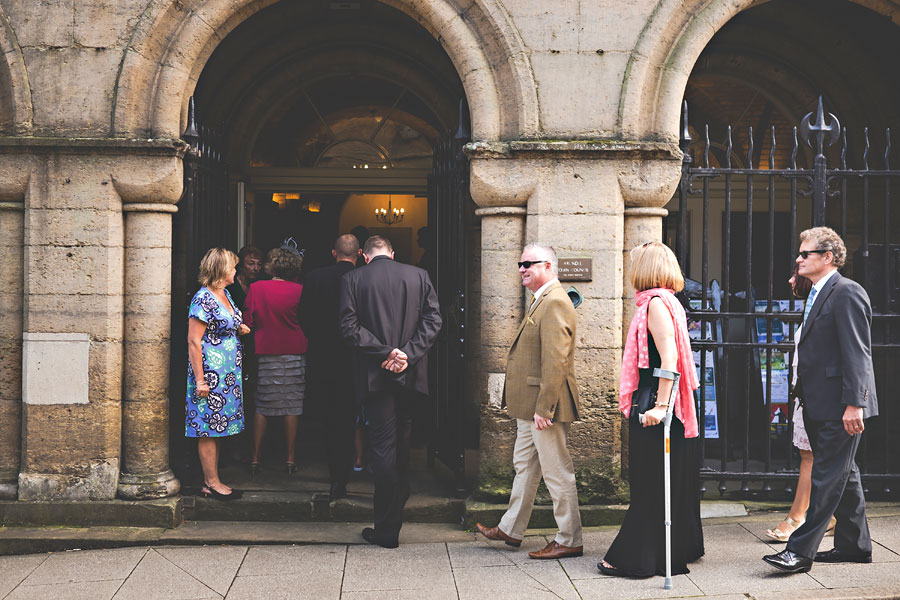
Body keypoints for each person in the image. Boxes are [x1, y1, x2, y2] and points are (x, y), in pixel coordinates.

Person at [764, 227, 878, 573]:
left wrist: (855, 403)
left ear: (827, 257)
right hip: (817, 402)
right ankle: (854, 545)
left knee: (827, 478)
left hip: (839, 404)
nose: (798, 259)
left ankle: (799, 552)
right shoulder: (817, 292)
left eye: (805, 254)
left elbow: (857, 353)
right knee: (846, 474)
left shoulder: (846, 292)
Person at [598, 241, 703, 577]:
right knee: (667, 480)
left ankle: (637, 557)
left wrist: (660, 406)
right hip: (670, 400)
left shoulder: (656, 303)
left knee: (650, 481)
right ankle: (674, 550)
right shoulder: (667, 301)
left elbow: (668, 359)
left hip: (657, 401)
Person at [475, 243, 584, 560]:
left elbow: (556, 360)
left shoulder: (555, 303)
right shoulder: (543, 300)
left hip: (542, 406)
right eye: (519, 264)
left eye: (529, 263)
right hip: (529, 407)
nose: (522, 268)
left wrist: (544, 408)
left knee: (557, 472)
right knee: (524, 467)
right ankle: (511, 528)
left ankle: (569, 538)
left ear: (548, 266)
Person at [339, 235, 442, 548]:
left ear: (365, 256)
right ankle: (400, 496)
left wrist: (386, 353)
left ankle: (386, 530)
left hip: (376, 376)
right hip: (410, 374)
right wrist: (407, 354)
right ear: (392, 253)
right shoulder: (418, 275)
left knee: (383, 447)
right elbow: (433, 320)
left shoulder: (352, 278)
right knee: (403, 439)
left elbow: (348, 326)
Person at [765, 264, 836, 542]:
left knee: (811, 456)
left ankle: (797, 517)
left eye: (795, 274)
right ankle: (828, 517)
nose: (790, 278)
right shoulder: (810, 307)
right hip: (806, 395)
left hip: (816, 397)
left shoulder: (825, 305)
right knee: (820, 458)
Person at [185, 247, 251, 500]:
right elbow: (194, 341)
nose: (237, 270)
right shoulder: (203, 298)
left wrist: (239, 327)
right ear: (222, 270)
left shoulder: (224, 294)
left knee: (219, 426)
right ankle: (211, 483)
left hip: (228, 376)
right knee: (208, 429)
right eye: (233, 267)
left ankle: (213, 479)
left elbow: (225, 323)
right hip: (210, 376)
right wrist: (200, 380)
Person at [298, 233, 360, 499]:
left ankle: (334, 475)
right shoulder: (363, 278)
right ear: (359, 255)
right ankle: (346, 474)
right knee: (350, 420)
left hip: (322, 357)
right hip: (355, 359)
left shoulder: (314, 277)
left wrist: (318, 339)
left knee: (328, 419)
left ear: (334, 253)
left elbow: (304, 317)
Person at [244, 240, 308, 476]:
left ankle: (255, 458)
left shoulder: (257, 289)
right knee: (292, 405)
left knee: (263, 404)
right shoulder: (300, 290)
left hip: (266, 350)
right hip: (295, 350)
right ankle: (290, 458)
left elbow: (247, 321)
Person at [226, 245, 263, 311]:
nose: (256, 268)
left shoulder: (260, 286)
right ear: (241, 266)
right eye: (251, 264)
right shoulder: (231, 286)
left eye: (259, 264)